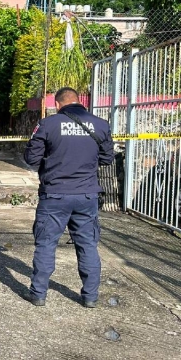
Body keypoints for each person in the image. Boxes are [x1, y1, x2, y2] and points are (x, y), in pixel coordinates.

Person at [24, 87, 114, 308]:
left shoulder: (49, 124)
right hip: (86, 195)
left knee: (46, 244)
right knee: (87, 245)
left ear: (58, 104)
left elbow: (31, 158)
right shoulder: (101, 125)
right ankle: (90, 297)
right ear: (79, 102)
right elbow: (107, 158)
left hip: (54, 195)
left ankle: (38, 294)